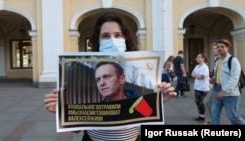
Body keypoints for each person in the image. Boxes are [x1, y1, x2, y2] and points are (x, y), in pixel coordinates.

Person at [44, 12, 177, 140]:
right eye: (105, 36)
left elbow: (148, 115)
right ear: (98, 40)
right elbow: (77, 129)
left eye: (118, 35)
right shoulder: (93, 107)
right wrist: (60, 111)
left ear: (122, 79)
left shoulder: (137, 99)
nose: (112, 40)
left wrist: (160, 100)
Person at [211, 39, 245, 125]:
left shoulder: (233, 60)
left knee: (233, 116)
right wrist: (214, 79)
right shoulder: (217, 60)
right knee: (214, 114)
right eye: (218, 47)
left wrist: (224, 91)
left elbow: (234, 78)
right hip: (217, 89)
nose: (219, 48)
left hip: (230, 93)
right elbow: (218, 73)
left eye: (222, 47)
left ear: (227, 48)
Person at [204, 42, 219, 124]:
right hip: (216, 85)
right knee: (207, 102)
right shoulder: (216, 59)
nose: (213, 50)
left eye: (215, 48)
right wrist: (213, 78)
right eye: (212, 48)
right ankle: (208, 121)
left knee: (232, 114)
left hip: (225, 87)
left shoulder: (224, 60)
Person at [191, 53, 210, 121]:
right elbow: (192, 74)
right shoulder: (197, 66)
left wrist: (196, 75)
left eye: (199, 57)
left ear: (203, 58)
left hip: (203, 87)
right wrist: (196, 75)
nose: (197, 58)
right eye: (197, 57)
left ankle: (202, 115)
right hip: (197, 86)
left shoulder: (205, 67)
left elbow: (201, 76)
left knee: (199, 101)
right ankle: (201, 114)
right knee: (197, 101)